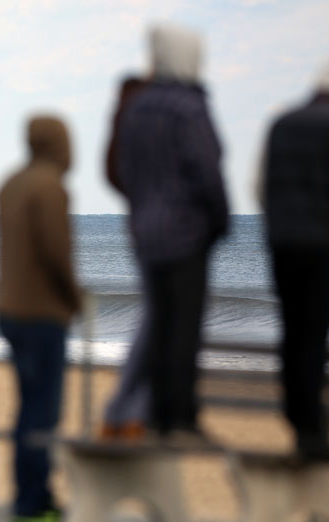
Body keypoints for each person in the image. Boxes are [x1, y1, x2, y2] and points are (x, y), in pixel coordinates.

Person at [115, 22, 229, 441]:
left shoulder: (139, 108)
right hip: (185, 235)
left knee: (159, 322)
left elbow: (127, 170)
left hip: (146, 234)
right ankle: (179, 416)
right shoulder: (188, 106)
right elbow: (207, 169)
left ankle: (156, 414)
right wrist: (220, 220)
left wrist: (141, 211)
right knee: (184, 325)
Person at [256, 55, 329, 462]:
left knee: (292, 329)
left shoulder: (280, 122)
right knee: (314, 333)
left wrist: (276, 226)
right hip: (323, 243)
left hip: (282, 242)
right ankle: (311, 428)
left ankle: (297, 415)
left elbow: (259, 183)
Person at [0, 115, 82, 522]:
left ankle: (29, 498)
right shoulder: (50, 186)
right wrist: (74, 297)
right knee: (42, 413)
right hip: (40, 313)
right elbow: (56, 252)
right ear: (56, 143)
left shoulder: (10, 183)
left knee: (28, 409)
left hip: (9, 310)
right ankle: (33, 507)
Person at [101, 75, 151, 440]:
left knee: (154, 321)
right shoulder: (168, 115)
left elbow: (113, 174)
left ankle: (124, 411)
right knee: (160, 322)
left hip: (145, 229)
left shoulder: (122, 121)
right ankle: (130, 413)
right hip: (168, 239)